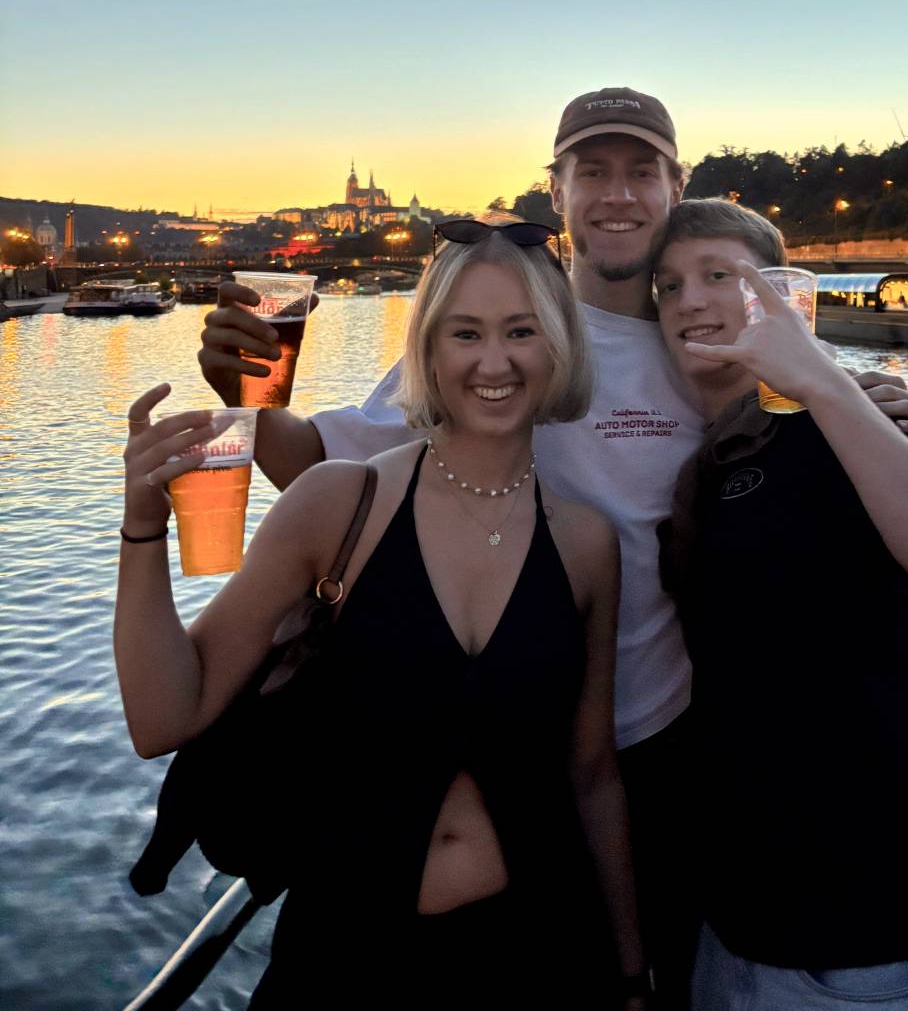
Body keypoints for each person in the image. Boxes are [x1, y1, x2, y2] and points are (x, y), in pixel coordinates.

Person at [197, 88, 908, 1005]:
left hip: (666, 751)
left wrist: (866, 405)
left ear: (677, 184)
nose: (616, 195)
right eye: (592, 172)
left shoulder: (713, 338)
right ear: (557, 187)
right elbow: (321, 469)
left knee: (653, 973)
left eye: (640, 171)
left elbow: (823, 471)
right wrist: (253, 396)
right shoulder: (503, 328)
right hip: (516, 758)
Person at [117, 225, 648, 1008]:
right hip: (346, 956)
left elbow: (592, 773)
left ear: (559, 347)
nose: (493, 362)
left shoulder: (586, 543)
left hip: (539, 952)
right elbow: (165, 715)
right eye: (465, 332)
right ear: (427, 352)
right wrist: (143, 525)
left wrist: (632, 970)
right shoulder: (338, 504)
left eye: (521, 331)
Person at [656, 197, 908, 1011]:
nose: (692, 300)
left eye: (720, 275)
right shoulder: (709, 462)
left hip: (878, 927)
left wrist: (821, 381)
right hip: (743, 917)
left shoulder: (837, 420)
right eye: (670, 286)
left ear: (778, 294)